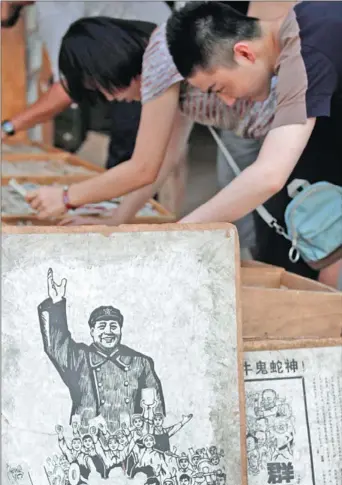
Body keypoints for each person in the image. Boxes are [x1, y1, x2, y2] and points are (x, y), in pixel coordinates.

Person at [25, 7, 281, 229]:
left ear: (106, 63)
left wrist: (67, 197)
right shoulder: (168, 70)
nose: (110, 98)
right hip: (279, 134)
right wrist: (117, 219)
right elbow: (162, 162)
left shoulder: (159, 59)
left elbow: (143, 168)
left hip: (294, 126)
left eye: (99, 87)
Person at [165, 1, 342, 286]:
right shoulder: (305, 23)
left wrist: (181, 231)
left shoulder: (305, 54)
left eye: (219, 88)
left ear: (244, 53)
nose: (228, 101)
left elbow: (269, 175)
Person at [0, 1, 170, 168]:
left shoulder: (54, 9)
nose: (109, 97)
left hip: (149, 56)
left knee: (130, 156)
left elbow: (66, 90)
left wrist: (8, 127)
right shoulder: (51, 9)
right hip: (155, 44)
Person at [37, 268, 165, 431]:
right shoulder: (79, 358)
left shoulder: (140, 362)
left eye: (113, 326)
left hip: (131, 443)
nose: (108, 332)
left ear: (120, 330)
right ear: (92, 331)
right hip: (88, 443)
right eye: (102, 326)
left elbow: (155, 409)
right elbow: (56, 344)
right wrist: (56, 303)